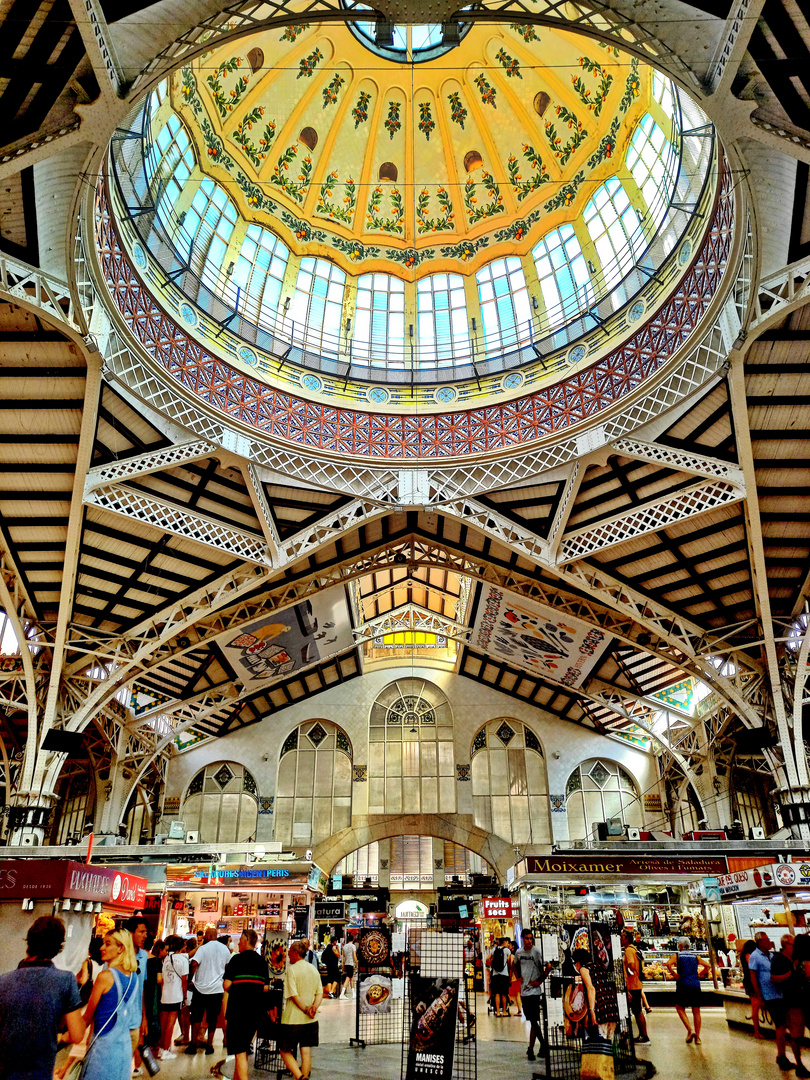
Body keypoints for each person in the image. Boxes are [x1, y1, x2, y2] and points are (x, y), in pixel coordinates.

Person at [0, 915, 85, 1080]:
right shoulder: (65, 981)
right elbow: (77, 1035)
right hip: (40, 1072)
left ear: (29, 942)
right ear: (58, 947)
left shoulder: (3, 980)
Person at [82, 929, 140, 1080]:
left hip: (103, 1051)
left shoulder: (105, 977)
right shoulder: (134, 977)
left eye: (108, 944)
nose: (102, 948)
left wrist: (63, 1037)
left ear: (121, 948)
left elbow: (87, 1017)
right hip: (123, 1048)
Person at [223, 929, 270, 1080]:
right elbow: (265, 987)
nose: (238, 943)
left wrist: (239, 987)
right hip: (255, 1011)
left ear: (246, 940)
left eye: (240, 940)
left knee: (240, 1051)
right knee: (243, 1048)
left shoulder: (236, 960)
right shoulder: (262, 961)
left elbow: (226, 985)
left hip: (237, 1011)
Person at [748, 931, 794, 1071]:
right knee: (780, 1025)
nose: (769, 942)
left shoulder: (772, 955)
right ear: (760, 942)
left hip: (780, 993)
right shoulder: (755, 956)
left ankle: (783, 1055)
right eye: (766, 940)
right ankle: (781, 1056)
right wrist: (759, 996)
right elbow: (753, 977)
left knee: (784, 1024)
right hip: (769, 995)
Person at [279, 938, 323, 1080]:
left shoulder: (291, 971)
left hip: (293, 1019)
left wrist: (305, 1009)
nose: (287, 954)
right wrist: (313, 1009)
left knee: (284, 1050)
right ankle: (304, 1076)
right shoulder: (313, 969)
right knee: (305, 1050)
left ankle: (299, 1077)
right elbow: (320, 992)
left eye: (289, 951)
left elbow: (293, 995)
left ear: (295, 952)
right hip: (311, 1020)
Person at [573, 948, 620, 1080]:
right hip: (611, 1006)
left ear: (578, 962)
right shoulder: (597, 967)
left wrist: (592, 1011)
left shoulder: (583, 969)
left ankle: (599, 1074)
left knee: (601, 1040)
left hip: (601, 1006)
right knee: (608, 1043)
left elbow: (591, 988)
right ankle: (607, 1073)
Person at [186, 926, 231, 1055]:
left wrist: (192, 977)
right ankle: (210, 1045)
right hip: (217, 989)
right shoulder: (225, 949)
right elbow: (228, 966)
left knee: (196, 1018)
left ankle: (193, 1045)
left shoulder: (203, 949)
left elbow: (194, 963)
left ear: (208, 936)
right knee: (213, 1019)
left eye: (205, 935)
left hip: (200, 989)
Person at [771, 934, 809, 1077]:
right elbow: (774, 978)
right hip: (794, 1001)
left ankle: (799, 1063)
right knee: (794, 1034)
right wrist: (789, 975)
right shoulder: (781, 959)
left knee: (795, 1035)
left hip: (796, 1001)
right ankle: (797, 1063)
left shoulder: (795, 960)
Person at [514, 928, 553, 1061]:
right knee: (533, 1021)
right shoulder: (518, 953)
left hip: (535, 992)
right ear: (522, 939)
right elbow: (514, 965)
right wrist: (517, 976)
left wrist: (539, 981)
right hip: (524, 992)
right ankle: (539, 1047)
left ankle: (534, 1047)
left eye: (531, 938)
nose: (529, 941)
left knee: (534, 1020)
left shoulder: (536, 952)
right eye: (527, 938)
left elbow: (547, 967)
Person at [665, 937, 710, 1044]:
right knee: (696, 1011)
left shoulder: (677, 955)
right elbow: (708, 966)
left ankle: (690, 1030)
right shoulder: (695, 956)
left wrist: (674, 974)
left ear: (680, 946)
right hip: (695, 985)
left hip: (683, 984)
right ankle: (698, 1038)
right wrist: (700, 974)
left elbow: (668, 963)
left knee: (679, 1007)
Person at [124, 916, 150, 1076]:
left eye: (146, 932)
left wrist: (144, 1018)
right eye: (142, 932)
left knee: (133, 1057)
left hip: (135, 1017)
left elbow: (141, 989)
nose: (145, 935)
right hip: (117, 1018)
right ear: (130, 933)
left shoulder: (144, 956)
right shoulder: (118, 953)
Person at [157, 934, 188, 1060]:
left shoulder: (166, 958)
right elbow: (184, 981)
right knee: (171, 1023)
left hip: (165, 994)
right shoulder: (183, 960)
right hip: (176, 995)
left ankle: (160, 1048)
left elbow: (163, 979)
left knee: (163, 1023)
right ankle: (166, 1050)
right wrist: (185, 997)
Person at [621, 929, 649, 1043]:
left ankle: (644, 1036)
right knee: (637, 1010)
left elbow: (631, 965)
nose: (621, 938)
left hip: (632, 985)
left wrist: (628, 973)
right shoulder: (634, 948)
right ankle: (643, 1035)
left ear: (627, 938)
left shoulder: (628, 950)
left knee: (637, 1011)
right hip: (637, 983)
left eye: (622, 937)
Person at [144, 939, 167, 1049]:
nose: (167, 953)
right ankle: (153, 1039)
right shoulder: (157, 961)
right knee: (153, 1014)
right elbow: (159, 979)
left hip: (143, 988)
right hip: (153, 989)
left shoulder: (141, 959)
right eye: (166, 950)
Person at [740, 939, 764, 1039]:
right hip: (751, 982)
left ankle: (757, 1030)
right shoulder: (748, 955)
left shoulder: (743, 955)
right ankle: (756, 1031)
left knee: (755, 1007)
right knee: (755, 1007)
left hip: (748, 981)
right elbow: (752, 968)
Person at [487, 937, 511, 1017]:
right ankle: (504, 1011)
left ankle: (497, 1011)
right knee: (504, 993)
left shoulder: (494, 949)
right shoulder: (507, 950)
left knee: (496, 993)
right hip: (504, 975)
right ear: (504, 942)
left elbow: (487, 959)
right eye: (508, 943)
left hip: (495, 974)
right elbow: (509, 962)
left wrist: (492, 966)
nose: (508, 944)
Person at [508, 940, 523, 1016]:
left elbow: (511, 966)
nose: (508, 946)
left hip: (514, 977)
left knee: (517, 995)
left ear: (513, 947)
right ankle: (520, 1009)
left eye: (510, 945)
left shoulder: (512, 956)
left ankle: (520, 1010)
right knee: (518, 994)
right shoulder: (519, 955)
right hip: (519, 977)